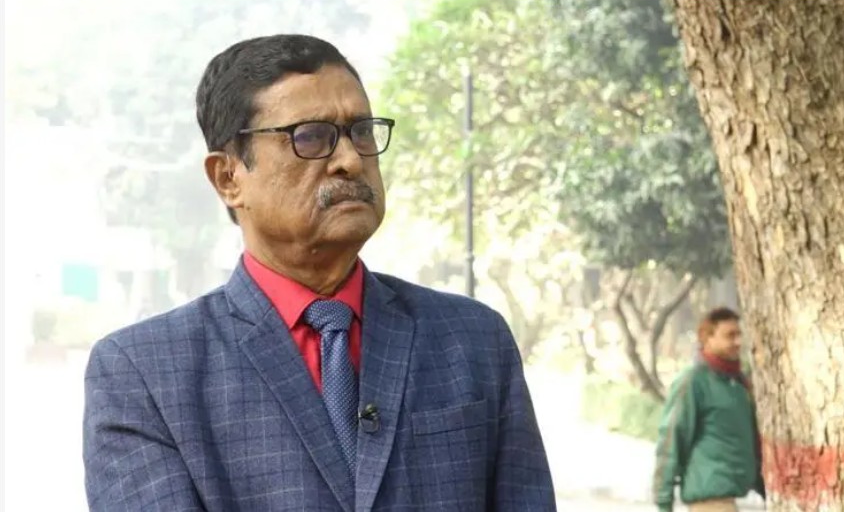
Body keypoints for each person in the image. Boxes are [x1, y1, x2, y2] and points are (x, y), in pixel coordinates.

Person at [82, 34, 555, 511]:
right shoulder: (144, 373)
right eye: (310, 137)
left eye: (361, 131)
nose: (350, 160)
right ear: (228, 177)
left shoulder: (472, 340)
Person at [652, 307, 765, 512]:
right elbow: (671, 440)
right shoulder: (693, 382)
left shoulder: (739, 384)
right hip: (710, 501)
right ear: (707, 338)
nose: (738, 342)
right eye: (730, 335)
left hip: (739, 497)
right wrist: (663, 501)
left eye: (739, 335)